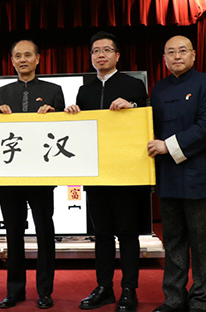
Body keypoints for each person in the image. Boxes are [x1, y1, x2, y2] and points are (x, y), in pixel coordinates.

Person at [65, 31, 148, 312]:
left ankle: (129, 289)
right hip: (96, 171)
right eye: (95, 51)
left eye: (106, 50)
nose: (100, 55)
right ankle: (104, 287)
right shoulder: (85, 90)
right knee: (101, 233)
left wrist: (132, 107)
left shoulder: (133, 85)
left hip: (126, 172)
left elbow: (146, 118)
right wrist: (73, 113)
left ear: (117, 55)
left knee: (127, 232)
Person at [147, 35, 206, 312]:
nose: (177, 56)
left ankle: (201, 300)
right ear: (164, 58)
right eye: (171, 52)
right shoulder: (158, 89)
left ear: (193, 54)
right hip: (168, 177)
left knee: (202, 244)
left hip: (199, 176)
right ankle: (173, 298)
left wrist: (167, 146)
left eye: (182, 51)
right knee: (173, 242)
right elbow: (148, 125)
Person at [0, 40, 65, 310]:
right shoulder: (1, 93)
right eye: (17, 56)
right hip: (9, 176)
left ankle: (45, 291)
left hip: (41, 175)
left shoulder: (53, 91)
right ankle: (15, 291)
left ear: (38, 59)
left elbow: (62, 133)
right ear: (12, 61)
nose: (22, 60)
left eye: (27, 55)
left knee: (45, 232)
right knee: (13, 234)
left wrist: (55, 116)